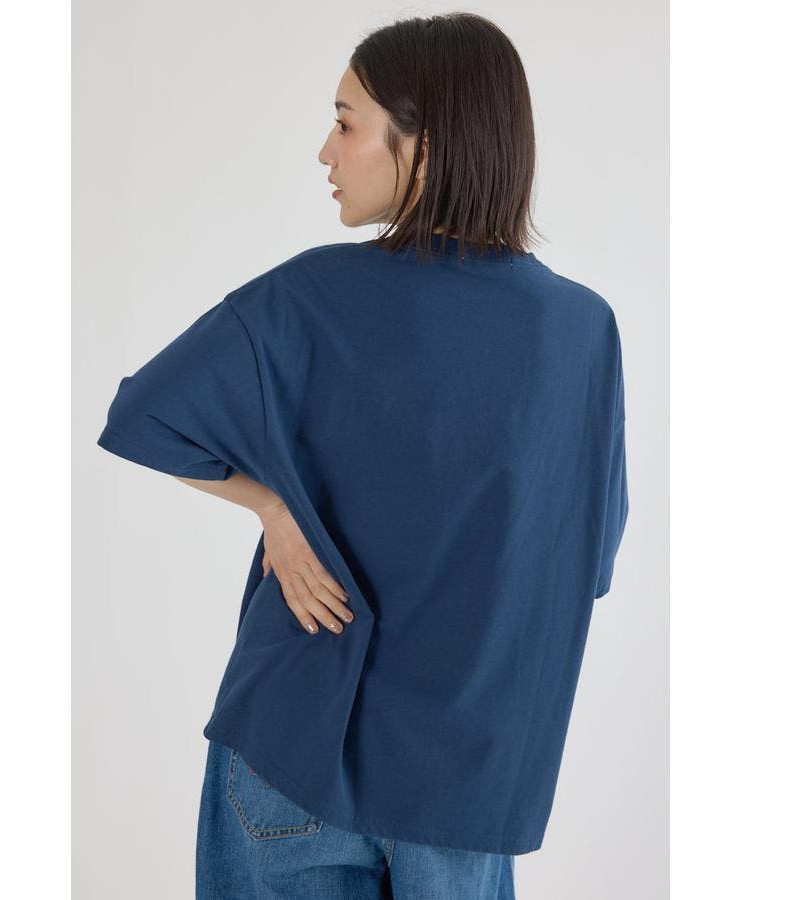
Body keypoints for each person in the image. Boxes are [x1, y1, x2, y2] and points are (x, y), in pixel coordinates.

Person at [96, 12, 629, 900]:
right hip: (465, 780)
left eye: (346, 123)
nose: (325, 151)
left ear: (427, 144)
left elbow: (146, 413)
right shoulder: (580, 332)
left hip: (291, 751)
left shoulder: (312, 294)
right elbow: (588, 563)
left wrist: (274, 509)